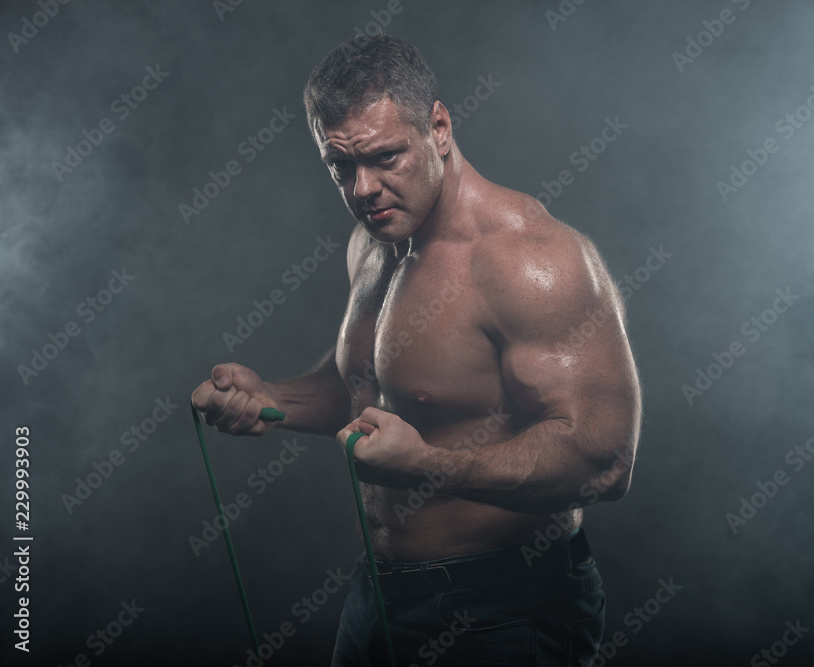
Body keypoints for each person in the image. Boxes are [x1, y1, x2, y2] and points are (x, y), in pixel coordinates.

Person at [191, 33, 642, 666]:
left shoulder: (532, 262)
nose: (363, 188)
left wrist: (430, 465)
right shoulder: (374, 242)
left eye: (385, 158)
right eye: (340, 166)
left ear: (438, 127)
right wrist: (272, 399)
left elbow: (603, 462)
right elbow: (369, 385)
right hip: (378, 594)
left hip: (505, 606)